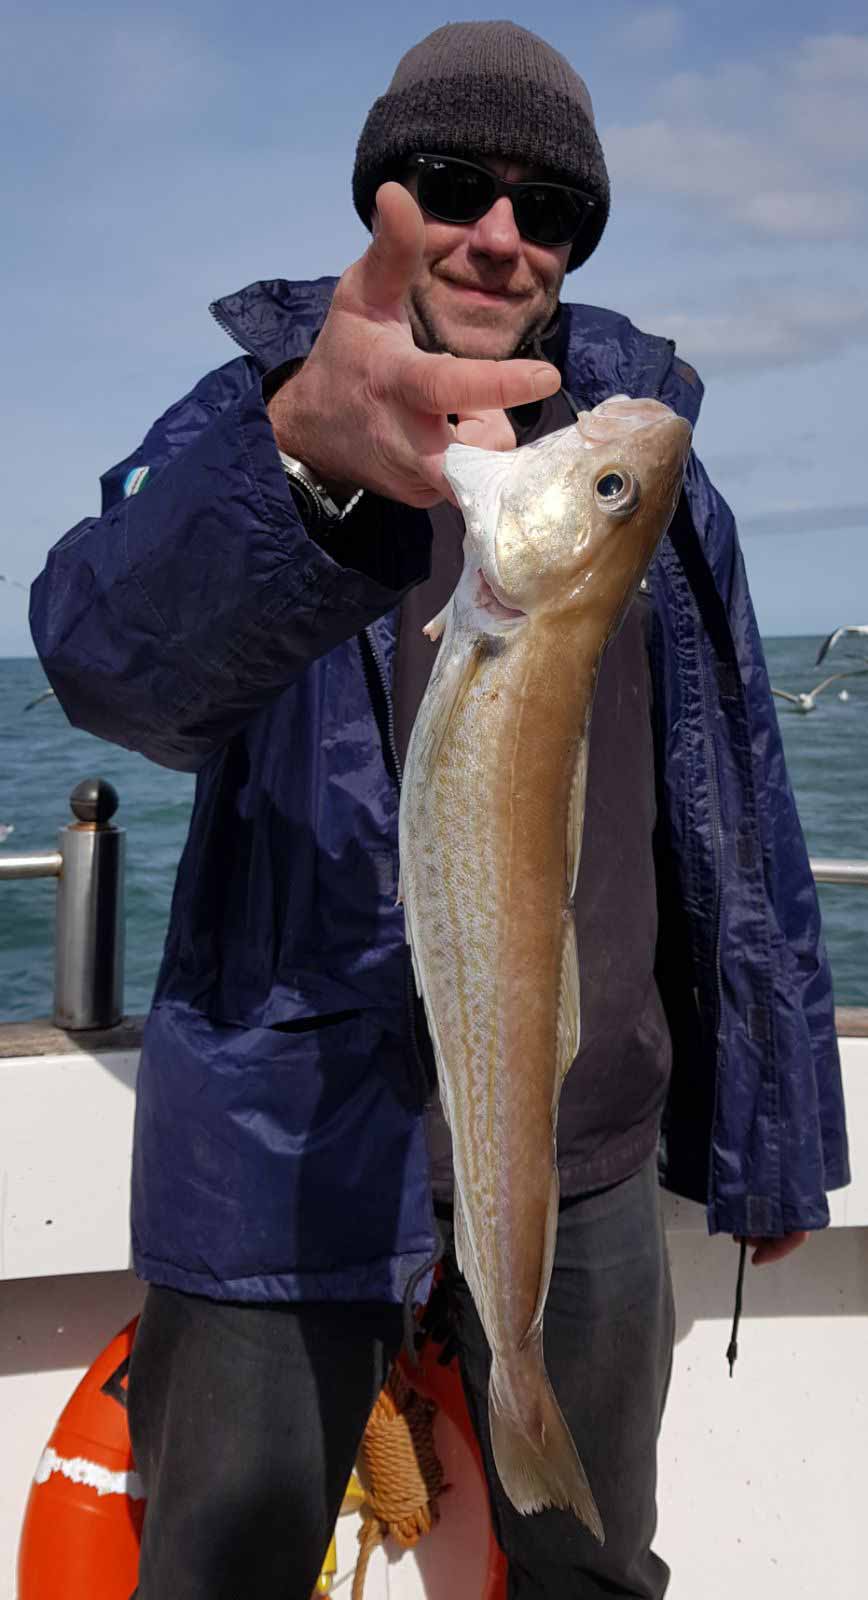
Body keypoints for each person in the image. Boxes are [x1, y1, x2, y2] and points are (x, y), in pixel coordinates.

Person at [30, 20, 849, 1600]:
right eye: (453, 181)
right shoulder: (261, 415)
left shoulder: (638, 456)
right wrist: (297, 471)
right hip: (284, 1135)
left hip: (579, 1139)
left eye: (547, 209)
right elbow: (99, 665)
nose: (498, 232)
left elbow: (736, 811)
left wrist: (770, 1138)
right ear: (382, 196)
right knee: (219, 1573)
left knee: (594, 1577)